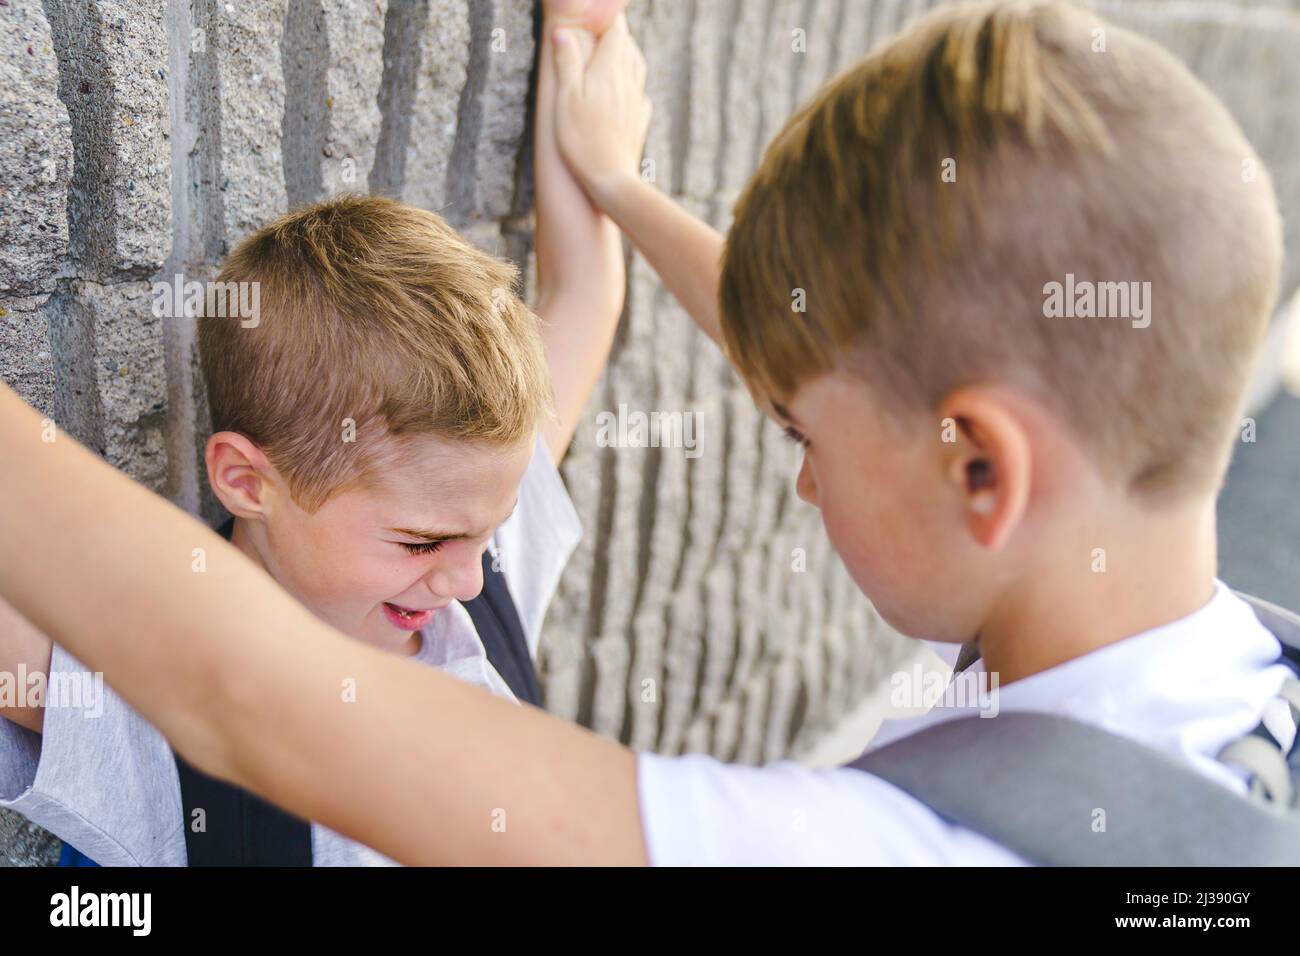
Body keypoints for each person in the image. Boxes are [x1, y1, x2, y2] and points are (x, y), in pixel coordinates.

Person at [0, 0, 1294, 865]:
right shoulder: (1247, 684)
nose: (796, 481)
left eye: (798, 438)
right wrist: (611, 178)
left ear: (982, 469)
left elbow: (249, 698)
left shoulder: (871, 846)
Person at [0, 0, 633, 866]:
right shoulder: (150, 710)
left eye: (489, 529)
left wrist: (582, 36)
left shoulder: (472, 551)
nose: (464, 574)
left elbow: (586, 297)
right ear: (247, 481)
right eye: (420, 543)